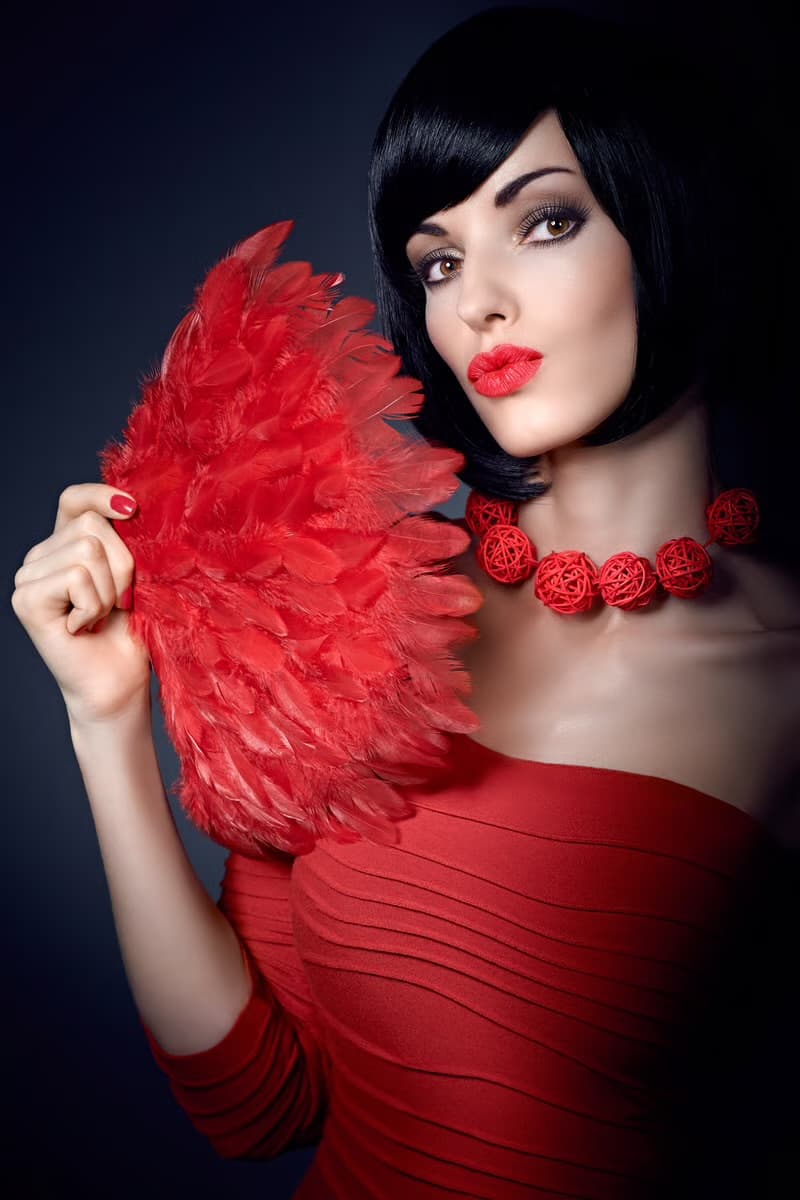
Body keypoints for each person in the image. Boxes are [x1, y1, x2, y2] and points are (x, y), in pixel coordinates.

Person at [11, 5, 799, 1198]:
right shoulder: (355, 609)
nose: (474, 301)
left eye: (541, 221)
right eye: (437, 260)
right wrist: (105, 719)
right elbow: (261, 1104)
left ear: (667, 212)